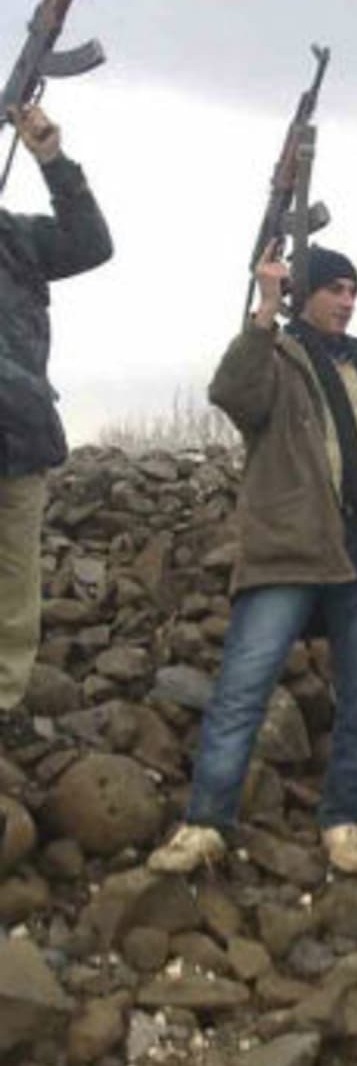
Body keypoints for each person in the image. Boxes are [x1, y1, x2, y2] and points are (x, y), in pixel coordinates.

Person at [149, 245, 357, 875]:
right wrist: (264, 311)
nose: (347, 300)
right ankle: (205, 823)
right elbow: (232, 393)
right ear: (304, 292)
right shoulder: (277, 359)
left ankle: (344, 819)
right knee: (243, 686)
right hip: (292, 541)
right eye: (335, 288)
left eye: (352, 290)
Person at [0, 103, 112, 741]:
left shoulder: (15, 236)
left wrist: (51, 159)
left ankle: (4, 703)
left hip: (18, 433)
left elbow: (92, 243)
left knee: (16, 583)